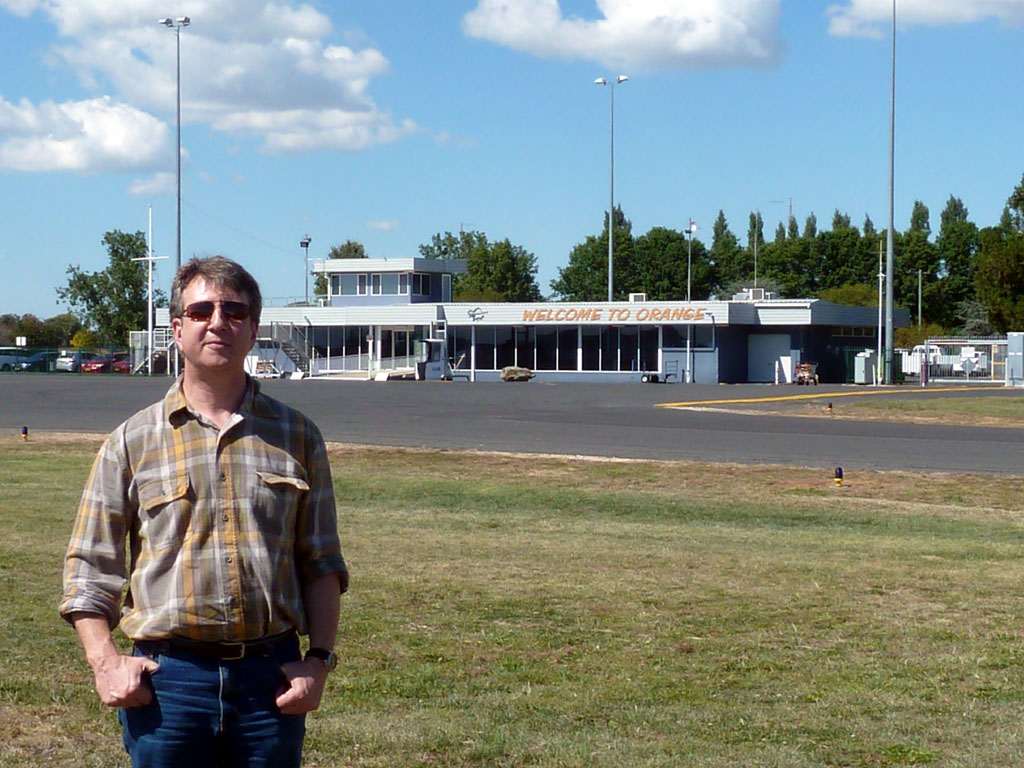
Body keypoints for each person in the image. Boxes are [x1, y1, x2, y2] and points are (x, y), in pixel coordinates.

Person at [61, 256, 348, 767]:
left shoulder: (299, 436)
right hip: (168, 685)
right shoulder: (131, 441)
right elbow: (90, 567)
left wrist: (319, 661)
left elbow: (321, 561)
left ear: (253, 329)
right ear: (177, 329)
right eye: (201, 311)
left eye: (234, 312)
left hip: (271, 682)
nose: (218, 322)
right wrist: (105, 662)